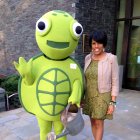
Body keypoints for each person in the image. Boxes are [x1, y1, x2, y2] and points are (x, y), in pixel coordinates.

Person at [82, 30, 119, 140]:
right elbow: (85, 79)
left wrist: (113, 102)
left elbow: (115, 81)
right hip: (89, 95)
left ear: (104, 44)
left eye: (99, 43)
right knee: (93, 122)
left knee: (99, 123)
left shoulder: (111, 58)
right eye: (93, 43)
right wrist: (81, 97)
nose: (96, 46)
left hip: (102, 96)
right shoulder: (88, 58)